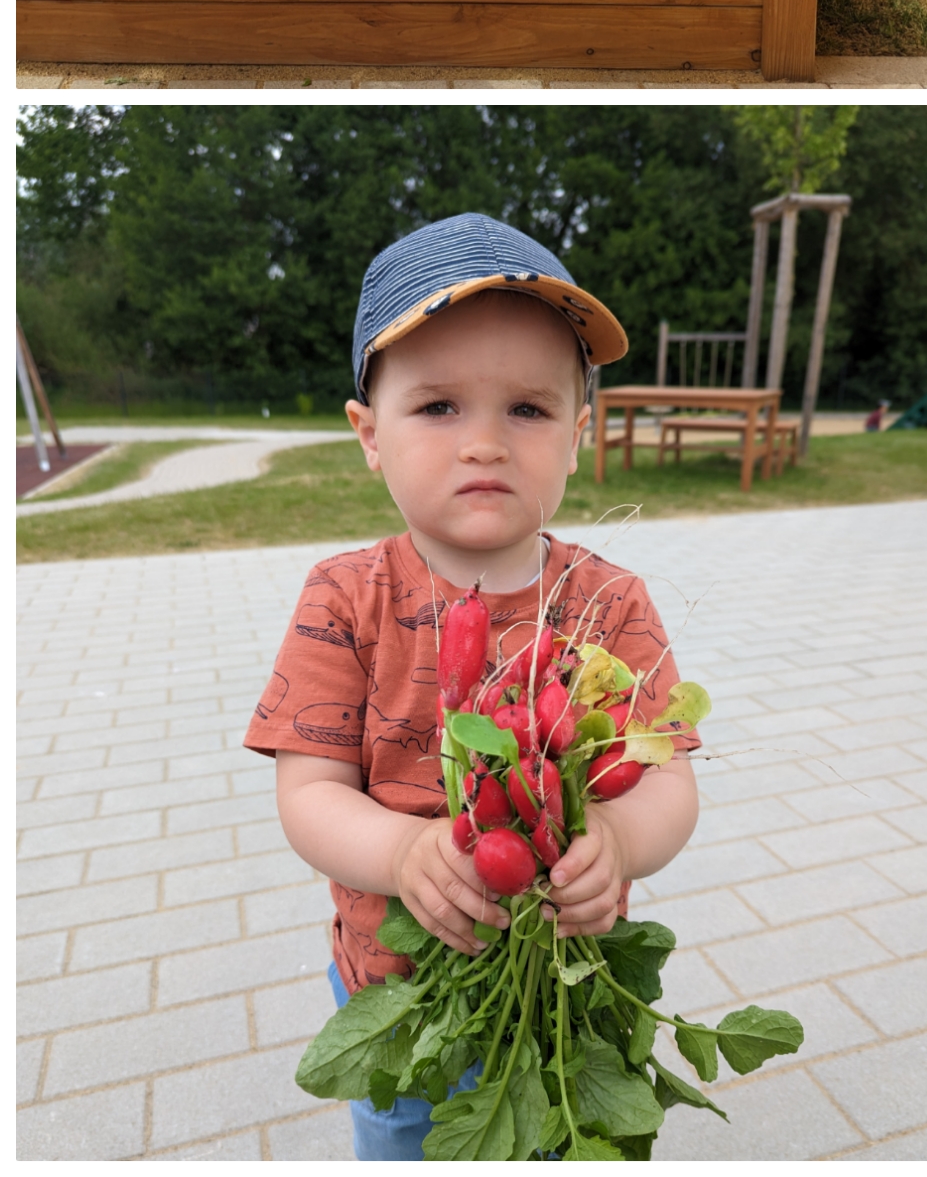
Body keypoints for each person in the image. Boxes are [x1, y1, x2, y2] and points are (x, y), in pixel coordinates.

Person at [244, 214, 701, 1158]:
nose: (485, 443)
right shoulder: (344, 596)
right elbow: (310, 796)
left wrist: (615, 836)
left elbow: (666, 780)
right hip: (398, 988)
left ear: (580, 437)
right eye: (439, 407)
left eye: (528, 411)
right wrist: (407, 853)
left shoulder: (609, 602)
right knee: (412, 1139)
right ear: (369, 435)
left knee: (559, 1138)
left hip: (568, 978)